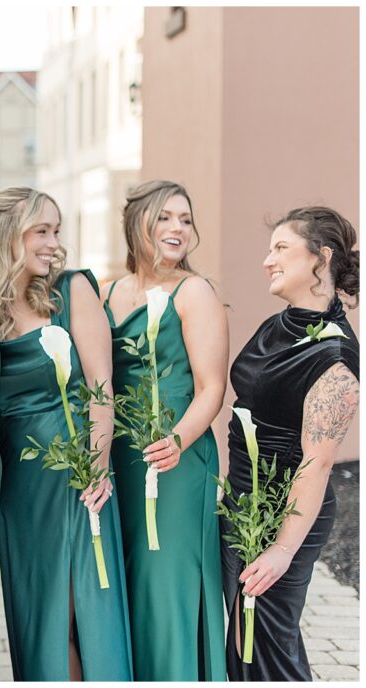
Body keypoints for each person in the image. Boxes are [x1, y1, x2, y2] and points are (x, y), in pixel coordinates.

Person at [0, 186, 133, 681]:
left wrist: (97, 463)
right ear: (7, 236)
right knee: (37, 615)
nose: (52, 242)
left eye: (56, 231)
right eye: (40, 230)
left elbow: (101, 384)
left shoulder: (71, 289)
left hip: (76, 476)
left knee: (78, 612)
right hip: (20, 491)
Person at [223, 206, 359, 681]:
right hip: (242, 504)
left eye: (281, 248)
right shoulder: (278, 324)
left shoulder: (335, 358)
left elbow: (317, 465)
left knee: (269, 646)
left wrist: (281, 550)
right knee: (246, 640)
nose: (267, 260)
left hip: (284, 515)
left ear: (320, 258)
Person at [101, 180, 227, 680]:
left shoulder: (194, 292)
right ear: (137, 224)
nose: (178, 229)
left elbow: (212, 387)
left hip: (178, 458)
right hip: (122, 462)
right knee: (129, 585)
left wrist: (177, 441)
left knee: (166, 584)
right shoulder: (108, 292)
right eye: (165, 217)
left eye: (186, 219)